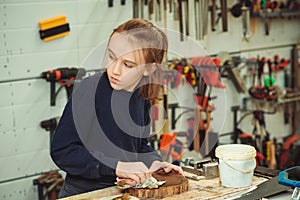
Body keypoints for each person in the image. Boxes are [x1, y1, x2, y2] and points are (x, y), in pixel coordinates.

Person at [50, 18, 183, 198]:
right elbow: (63, 151)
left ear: (149, 69)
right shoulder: (89, 90)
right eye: (111, 57)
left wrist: (153, 162)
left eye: (128, 64)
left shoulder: (141, 95)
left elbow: (139, 145)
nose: (114, 70)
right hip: (84, 193)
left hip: (122, 192)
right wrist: (117, 167)